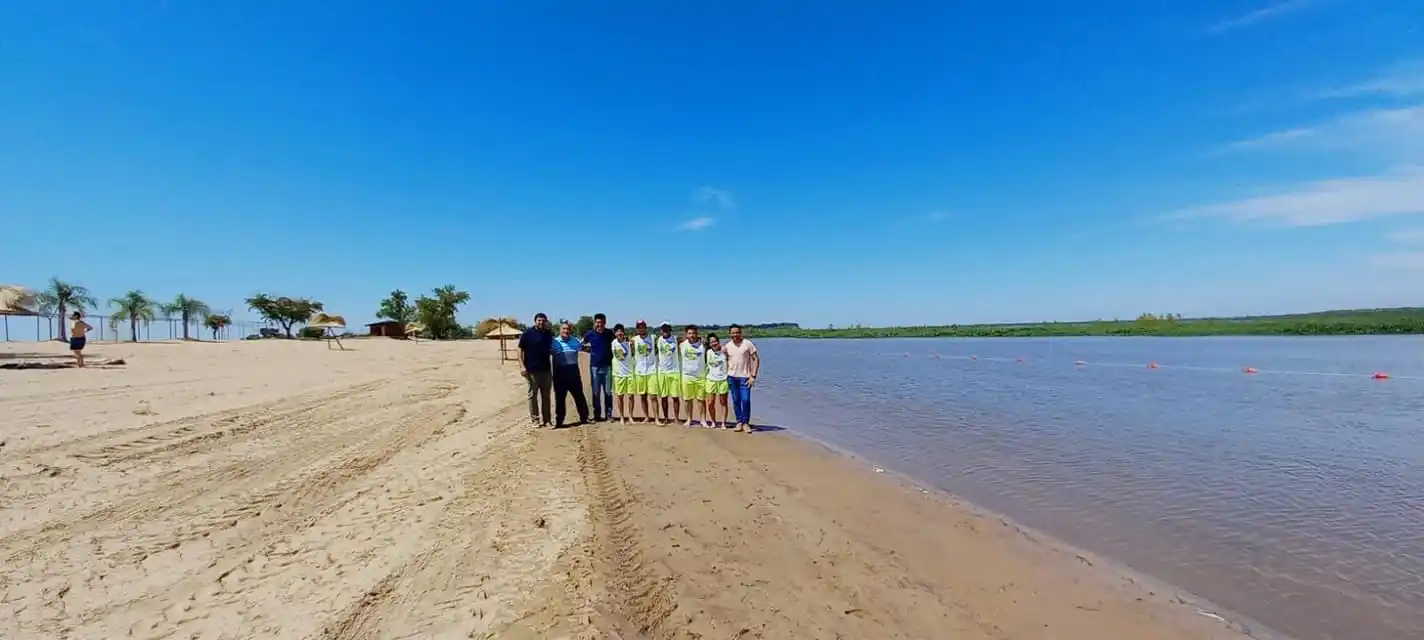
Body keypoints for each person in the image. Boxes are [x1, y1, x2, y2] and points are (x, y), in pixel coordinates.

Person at [517, 313, 555, 427]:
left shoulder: (548, 334)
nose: (541, 322)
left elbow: (551, 349)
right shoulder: (527, 333)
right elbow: (520, 350)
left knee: (546, 396)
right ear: (535, 321)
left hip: (546, 370)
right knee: (533, 395)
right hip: (532, 370)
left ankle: (547, 420)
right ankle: (535, 420)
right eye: (539, 320)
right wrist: (522, 366)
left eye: (543, 321)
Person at [550, 321, 590, 427]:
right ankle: (559, 421)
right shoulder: (554, 342)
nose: (566, 331)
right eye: (564, 329)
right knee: (560, 399)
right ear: (560, 330)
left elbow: (585, 348)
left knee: (579, 396)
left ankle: (584, 417)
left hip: (573, 373)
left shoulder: (575, 341)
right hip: (559, 375)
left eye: (567, 329)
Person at [724, 324, 759, 433]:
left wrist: (753, 376)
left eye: (737, 332)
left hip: (745, 377)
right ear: (730, 334)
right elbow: (724, 361)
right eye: (733, 333)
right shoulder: (727, 346)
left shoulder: (747, 344)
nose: (735, 335)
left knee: (746, 400)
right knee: (736, 400)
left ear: (740, 333)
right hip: (732, 377)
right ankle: (739, 422)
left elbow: (756, 359)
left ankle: (746, 423)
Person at [583, 313, 616, 422]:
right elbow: (581, 344)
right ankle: (597, 415)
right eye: (597, 322)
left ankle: (609, 414)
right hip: (594, 367)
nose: (599, 324)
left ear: (604, 323)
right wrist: (587, 350)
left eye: (601, 322)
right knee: (596, 392)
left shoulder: (609, 333)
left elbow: (617, 344)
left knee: (608, 392)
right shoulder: (590, 334)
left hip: (607, 367)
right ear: (594, 323)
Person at [678, 325, 708, 427]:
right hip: (687, 376)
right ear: (686, 334)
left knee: (701, 399)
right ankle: (689, 419)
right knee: (687, 399)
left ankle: (703, 420)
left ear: (697, 334)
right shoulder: (682, 345)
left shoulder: (703, 344)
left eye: (694, 333)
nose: (692, 335)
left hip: (700, 376)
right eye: (690, 333)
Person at [629, 320, 657, 423]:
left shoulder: (653, 338)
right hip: (639, 371)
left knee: (653, 396)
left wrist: (700, 340)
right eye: (639, 327)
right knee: (643, 396)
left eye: (643, 327)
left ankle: (656, 418)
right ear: (637, 329)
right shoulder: (634, 340)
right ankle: (646, 416)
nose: (641, 329)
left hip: (651, 370)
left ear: (646, 327)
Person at [654, 322, 681, 426]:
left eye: (667, 329)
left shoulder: (675, 339)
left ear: (670, 330)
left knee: (675, 397)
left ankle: (676, 418)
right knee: (664, 397)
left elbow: (689, 340)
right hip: (662, 372)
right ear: (661, 331)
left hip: (674, 371)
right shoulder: (658, 340)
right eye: (663, 330)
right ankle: (665, 417)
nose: (665, 331)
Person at [610, 323, 635, 425]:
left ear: (623, 332)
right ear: (615, 333)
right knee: (620, 396)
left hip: (629, 373)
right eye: (617, 331)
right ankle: (621, 417)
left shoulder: (629, 343)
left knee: (630, 396)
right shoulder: (613, 343)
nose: (619, 333)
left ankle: (630, 416)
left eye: (621, 331)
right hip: (618, 373)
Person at [703, 333, 729, 428]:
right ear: (709, 344)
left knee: (723, 403)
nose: (714, 343)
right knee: (710, 403)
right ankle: (713, 422)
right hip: (711, 379)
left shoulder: (724, 350)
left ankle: (723, 423)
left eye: (715, 341)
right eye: (711, 342)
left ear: (718, 341)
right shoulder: (708, 352)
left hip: (723, 379)